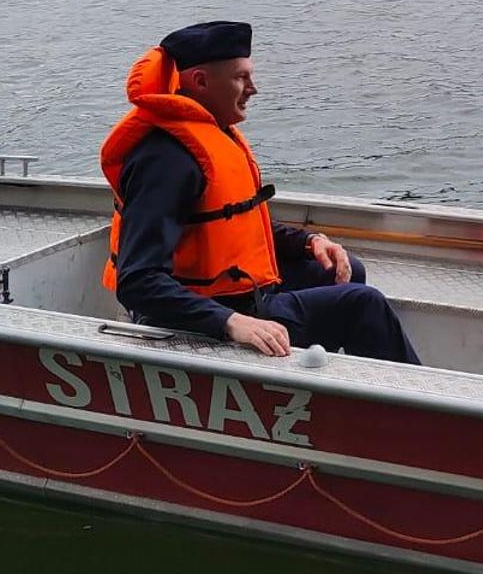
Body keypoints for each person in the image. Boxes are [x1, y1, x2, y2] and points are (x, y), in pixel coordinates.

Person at [99, 20, 420, 364]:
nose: (253, 88)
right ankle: (415, 409)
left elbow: (232, 218)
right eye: (241, 77)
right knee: (363, 305)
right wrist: (231, 323)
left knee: (342, 269)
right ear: (201, 81)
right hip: (195, 317)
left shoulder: (209, 131)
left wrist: (309, 242)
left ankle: (301, 381)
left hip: (232, 293)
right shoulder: (167, 160)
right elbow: (137, 282)